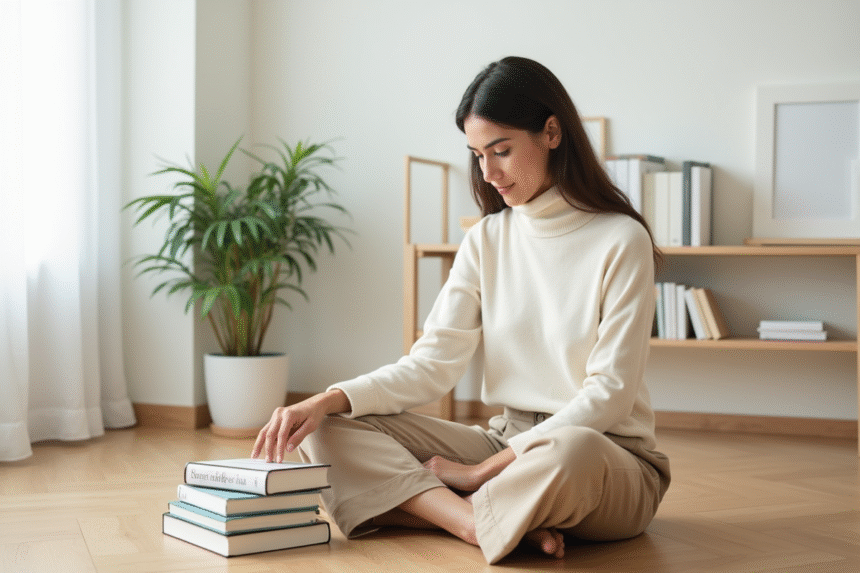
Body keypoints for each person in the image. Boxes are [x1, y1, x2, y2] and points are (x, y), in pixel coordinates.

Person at [252, 56, 671, 564]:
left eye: (501, 151)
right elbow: (432, 365)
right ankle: (473, 522)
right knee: (323, 429)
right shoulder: (487, 239)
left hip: (604, 455)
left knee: (569, 451)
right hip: (506, 443)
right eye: (476, 155)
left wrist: (477, 474)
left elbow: (608, 397)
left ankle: (445, 506)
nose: (488, 173)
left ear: (552, 132)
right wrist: (327, 400)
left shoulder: (621, 238)